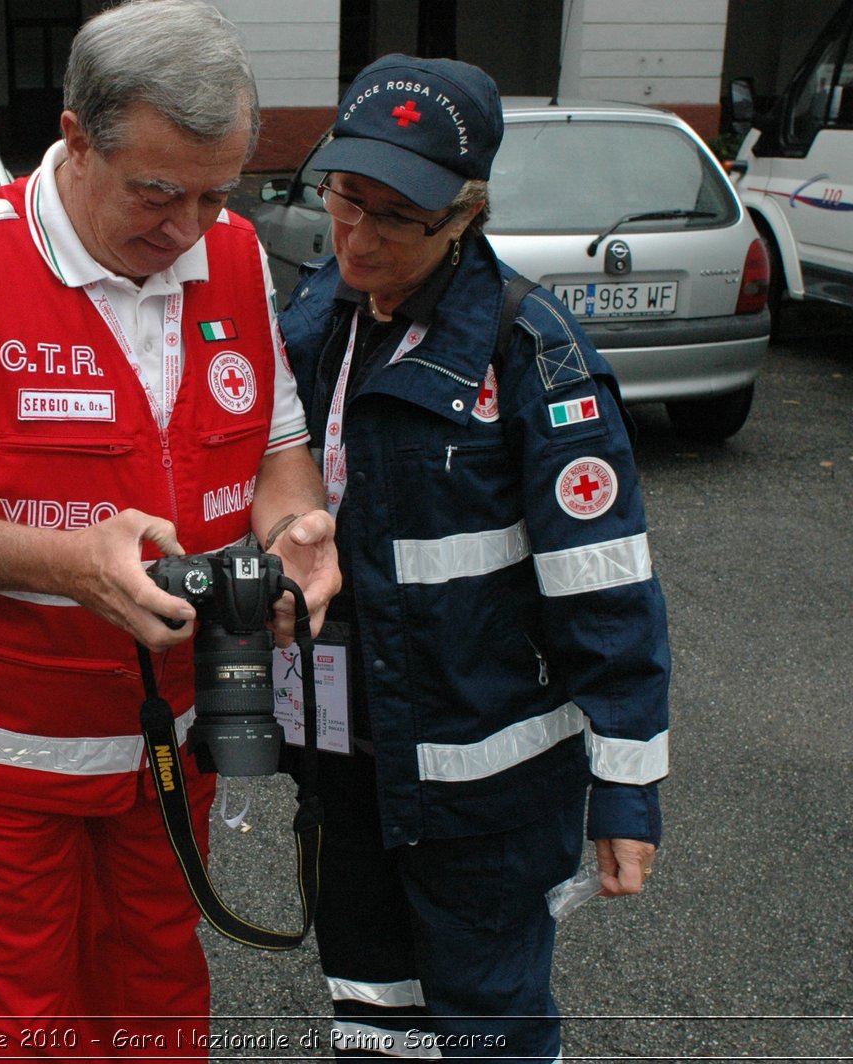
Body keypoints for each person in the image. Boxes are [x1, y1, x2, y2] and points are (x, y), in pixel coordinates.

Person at [0, 1, 339, 1056]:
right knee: (34, 1025)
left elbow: (276, 447)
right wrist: (68, 563)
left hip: (174, 741)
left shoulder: (235, 258)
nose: (188, 229)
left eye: (215, 193)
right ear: (73, 139)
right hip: (4, 752)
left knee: (161, 1001)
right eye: (156, 193)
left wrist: (295, 530)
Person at [276, 54, 671, 1061]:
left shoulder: (534, 355)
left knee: (489, 1028)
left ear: (464, 213)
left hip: (483, 803)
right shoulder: (312, 321)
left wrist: (625, 793)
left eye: (393, 217)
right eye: (343, 198)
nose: (355, 235)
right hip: (346, 772)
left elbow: (607, 591)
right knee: (373, 1019)